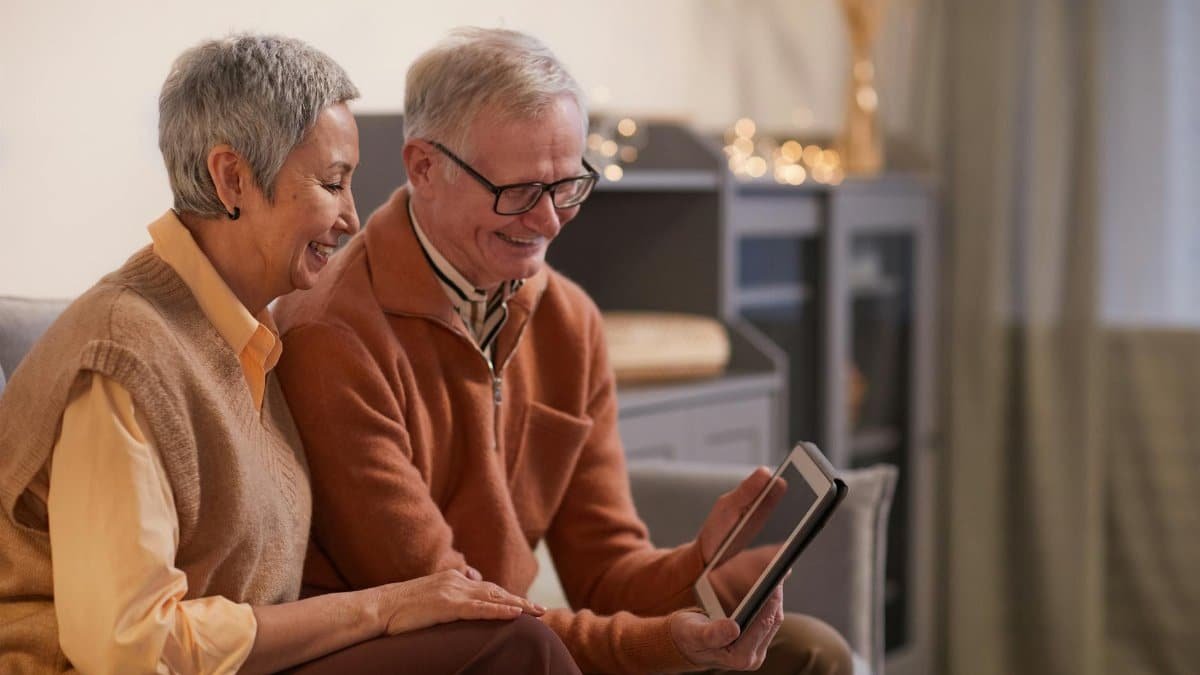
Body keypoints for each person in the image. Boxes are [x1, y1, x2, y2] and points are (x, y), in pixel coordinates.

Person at [274, 27, 854, 674]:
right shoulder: (332, 336)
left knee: (810, 651)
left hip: (520, 639)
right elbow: (460, 607)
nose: (549, 222)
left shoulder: (569, 319)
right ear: (423, 167)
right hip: (422, 651)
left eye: (568, 185)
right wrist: (665, 643)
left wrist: (703, 564)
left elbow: (606, 573)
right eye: (518, 192)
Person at [0, 34, 579, 675]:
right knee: (516, 649)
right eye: (332, 183)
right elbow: (129, 646)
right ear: (233, 179)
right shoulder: (122, 358)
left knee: (512, 645)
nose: (352, 217)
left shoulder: (245, 333)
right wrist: (379, 609)